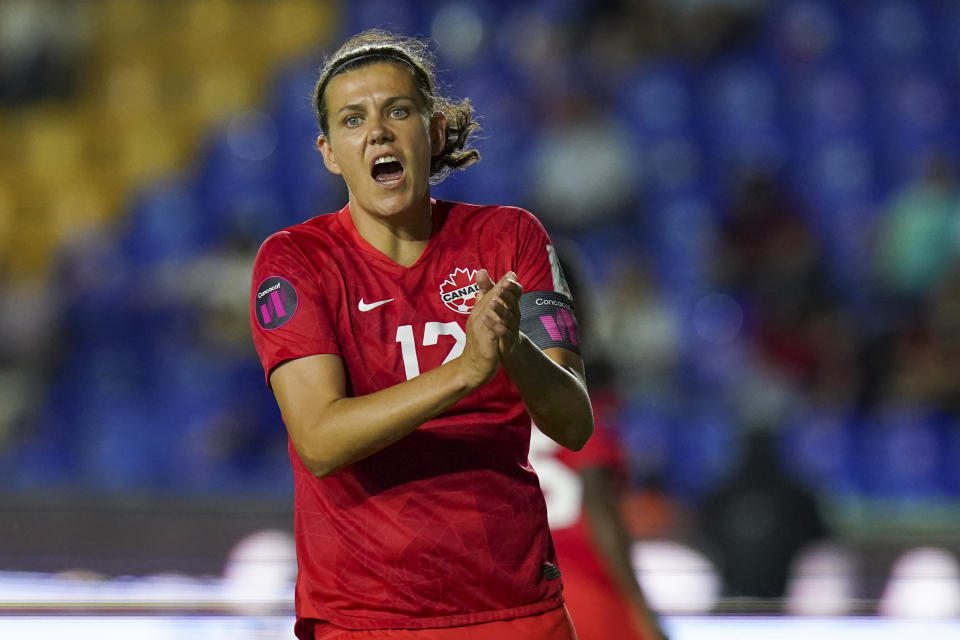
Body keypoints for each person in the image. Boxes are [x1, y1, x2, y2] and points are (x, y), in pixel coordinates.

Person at [248, 30, 593, 640]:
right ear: (330, 153)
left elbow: (572, 420)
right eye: (353, 119)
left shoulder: (511, 238)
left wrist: (511, 349)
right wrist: (464, 370)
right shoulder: (295, 260)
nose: (377, 131)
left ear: (432, 133)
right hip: (363, 620)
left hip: (515, 613)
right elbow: (320, 440)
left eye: (397, 111)